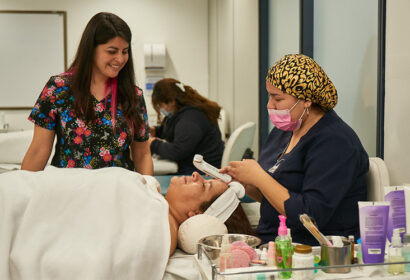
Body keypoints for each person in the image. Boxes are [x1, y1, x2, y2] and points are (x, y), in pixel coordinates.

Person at [221, 54, 369, 246]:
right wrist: (247, 183)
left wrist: (259, 177)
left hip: (310, 251)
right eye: (269, 96)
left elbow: (310, 216)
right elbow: (275, 197)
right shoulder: (284, 132)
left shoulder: (335, 142)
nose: (269, 105)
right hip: (274, 241)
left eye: (278, 98)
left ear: (307, 99)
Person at [0, 168, 253, 279]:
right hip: (23, 193)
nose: (197, 175)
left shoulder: (157, 228)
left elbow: (102, 260)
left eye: (206, 185)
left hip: (19, 211)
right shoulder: (156, 203)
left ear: (194, 213)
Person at [21, 12, 152, 174]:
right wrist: (23, 192)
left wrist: (150, 190)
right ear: (91, 49)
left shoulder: (133, 96)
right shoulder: (58, 88)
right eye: (112, 51)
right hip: (68, 192)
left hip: (118, 192)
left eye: (125, 51)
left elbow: (142, 154)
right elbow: (38, 150)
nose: (120, 59)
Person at [149, 78, 224, 174]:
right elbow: (176, 130)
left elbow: (177, 151)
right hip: (197, 165)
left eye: (161, 105)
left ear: (171, 101)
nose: (161, 110)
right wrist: (156, 131)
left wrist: (153, 143)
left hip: (202, 171)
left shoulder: (191, 118)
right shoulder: (184, 113)